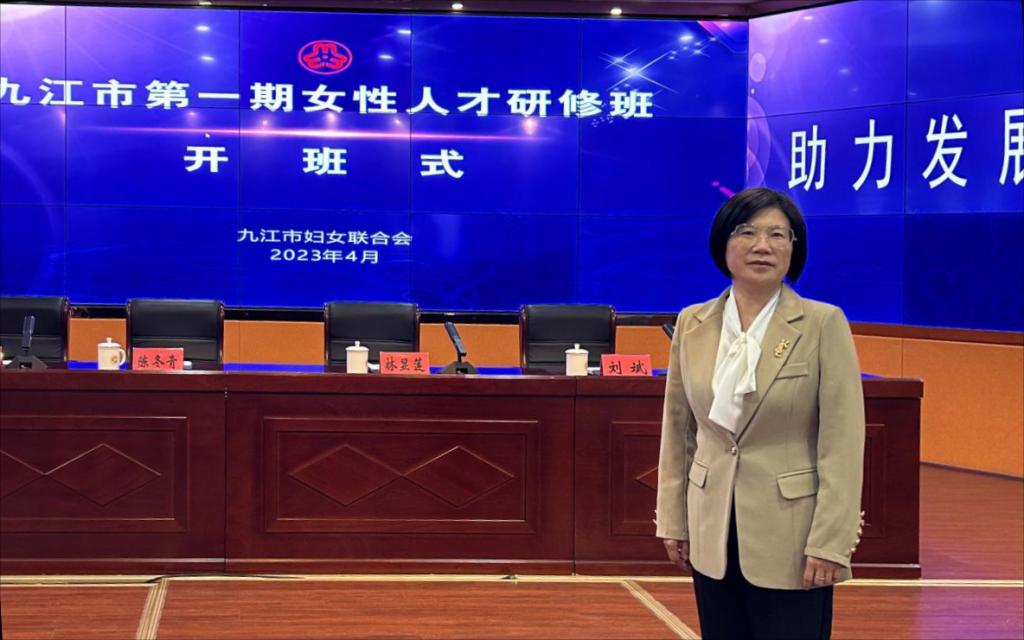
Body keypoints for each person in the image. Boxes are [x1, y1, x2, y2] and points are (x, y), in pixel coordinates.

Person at [655, 187, 865, 640]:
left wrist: (831, 541)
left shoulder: (823, 323)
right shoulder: (692, 323)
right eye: (747, 232)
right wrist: (673, 520)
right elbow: (678, 431)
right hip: (712, 530)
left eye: (777, 234)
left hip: (792, 535)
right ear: (723, 243)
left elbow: (842, 443)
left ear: (793, 247)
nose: (762, 246)